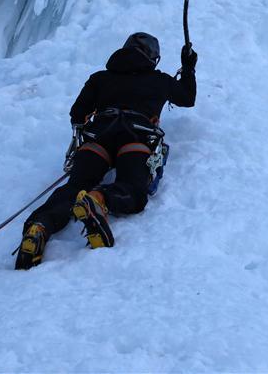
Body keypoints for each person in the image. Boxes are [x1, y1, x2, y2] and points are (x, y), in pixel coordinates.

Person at [15, 32, 197, 270]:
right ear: (153, 58)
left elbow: (78, 114)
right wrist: (187, 67)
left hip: (98, 138)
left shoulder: (100, 78)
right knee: (133, 189)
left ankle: (38, 226)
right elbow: (187, 98)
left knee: (74, 186)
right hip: (135, 138)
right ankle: (98, 200)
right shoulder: (159, 80)